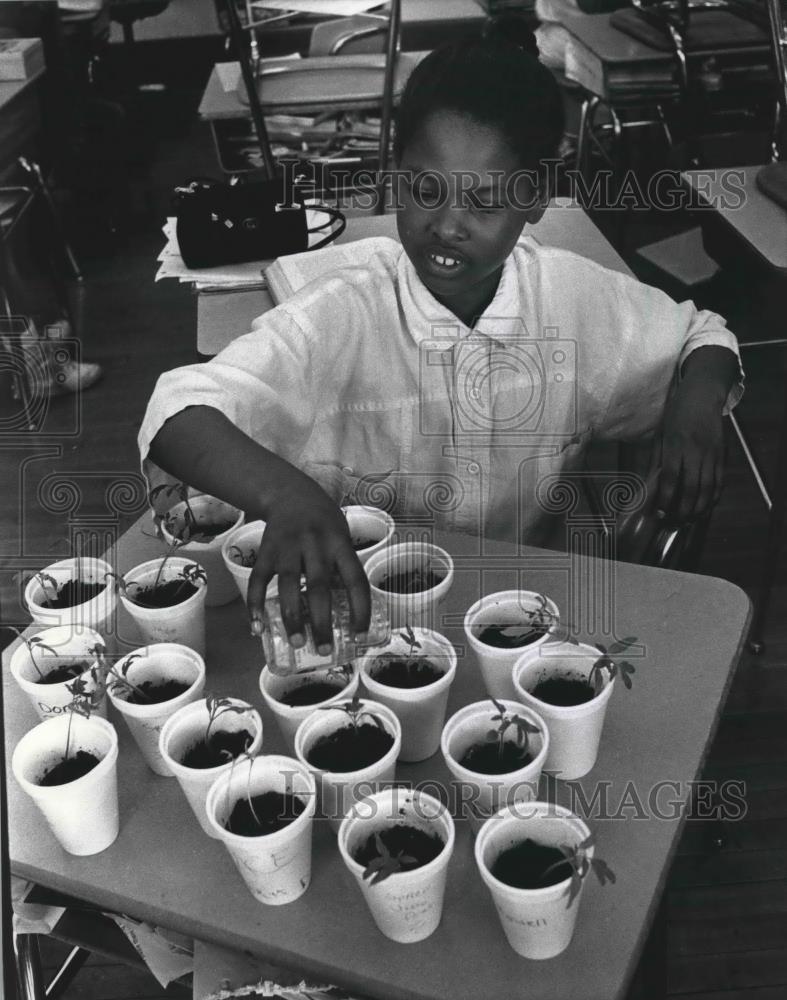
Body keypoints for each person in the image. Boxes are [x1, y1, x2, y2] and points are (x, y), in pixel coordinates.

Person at [139, 17, 743, 655]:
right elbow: (176, 410)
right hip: (365, 619)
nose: (447, 226)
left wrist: (695, 409)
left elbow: (701, 337)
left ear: (535, 199)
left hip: (521, 620)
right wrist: (288, 493)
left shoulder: (570, 298)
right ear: (396, 175)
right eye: (425, 191)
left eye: (483, 203)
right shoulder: (341, 314)